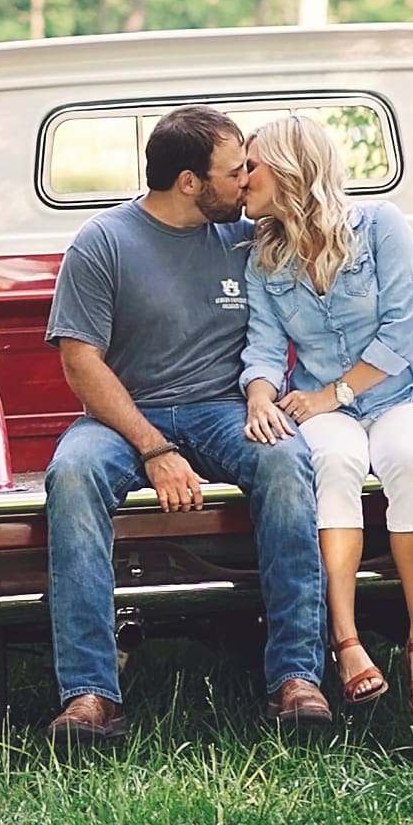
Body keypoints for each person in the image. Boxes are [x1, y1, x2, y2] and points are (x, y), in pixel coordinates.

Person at [39, 105, 338, 743]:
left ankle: (296, 679)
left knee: (287, 461)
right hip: (124, 417)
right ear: (188, 183)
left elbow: (345, 284)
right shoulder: (102, 244)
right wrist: (153, 447)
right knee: (71, 474)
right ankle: (91, 695)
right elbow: (79, 361)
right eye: (235, 172)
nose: (247, 181)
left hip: (223, 410)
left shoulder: (245, 237)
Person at [238, 111, 413, 719]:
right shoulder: (263, 257)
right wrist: (260, 392)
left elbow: (403, 332)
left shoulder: (382, 227)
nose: (241, 179)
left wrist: (333, 394)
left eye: (251, 167)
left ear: (288, 170)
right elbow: (260, 344)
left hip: (400, 399)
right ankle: (346, 641)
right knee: (331, 460)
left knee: (406, 457)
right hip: (322, 410)